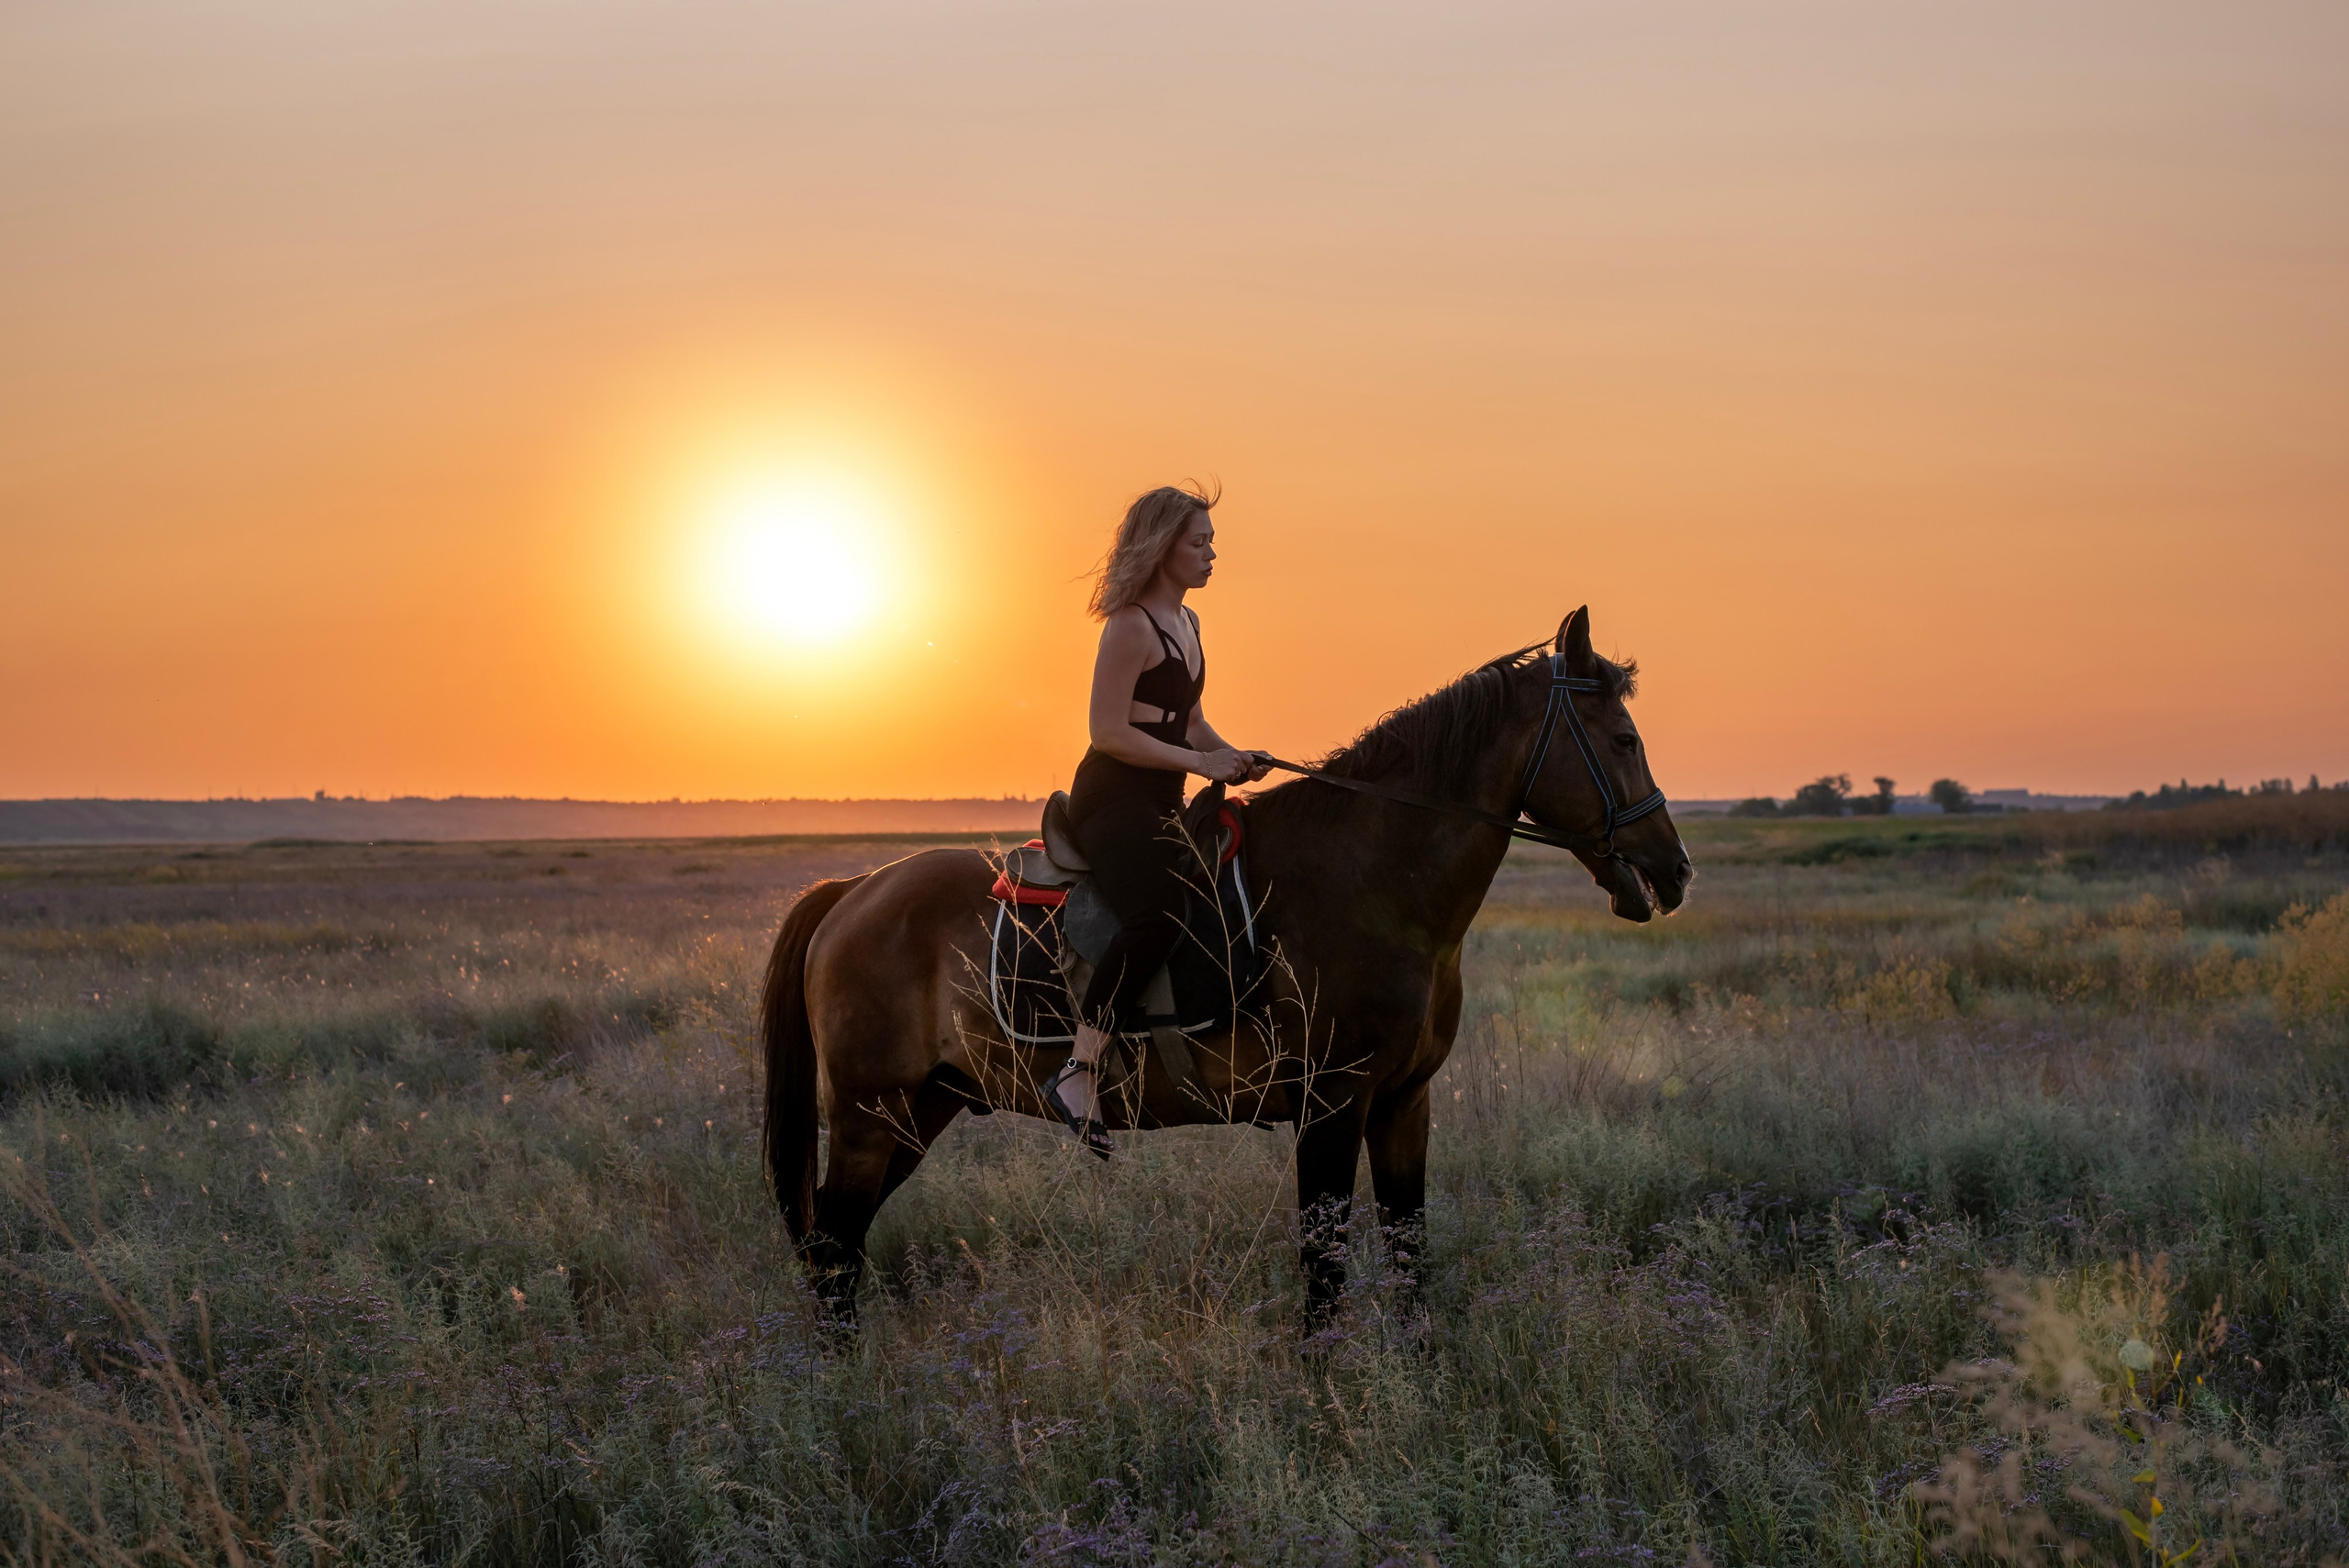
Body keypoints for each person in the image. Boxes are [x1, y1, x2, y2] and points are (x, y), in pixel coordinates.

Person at [1042, 483, 1269, 1157]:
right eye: (1199, 542)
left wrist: (1229, 755)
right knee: (1162, 914)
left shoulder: (1188, 625)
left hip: (1161, 799)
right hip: (1112, 801)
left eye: (1211, 543)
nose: (1211, 554)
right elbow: (1108, 731)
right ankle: (1080, 1067)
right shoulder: (1130, 625)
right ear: (1164, 545)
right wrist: (1203, 766)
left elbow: (1190, 721)